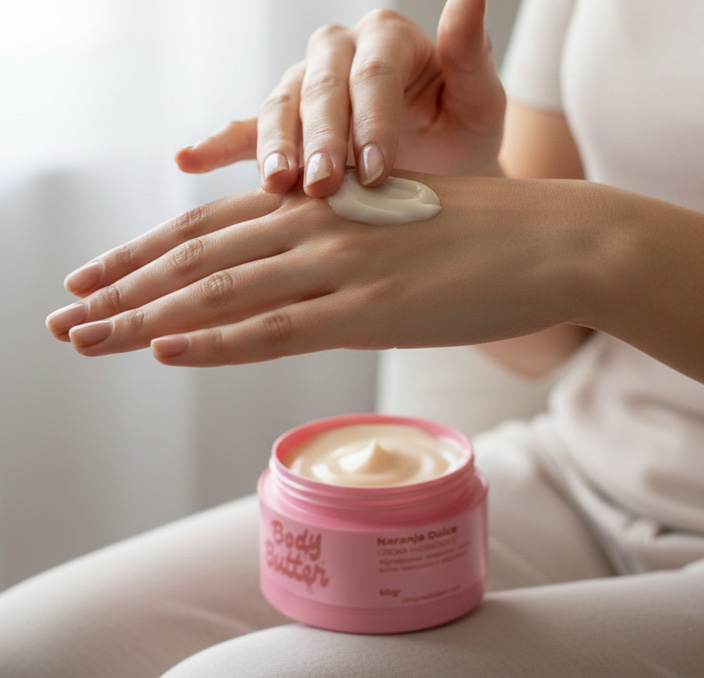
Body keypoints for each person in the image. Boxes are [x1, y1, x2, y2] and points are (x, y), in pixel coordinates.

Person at [4, 0, 703, 675]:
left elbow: (581, 253)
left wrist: (602, 247)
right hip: (581, 475)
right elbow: (548, 340)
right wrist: (455, 173)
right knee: (30, 649)